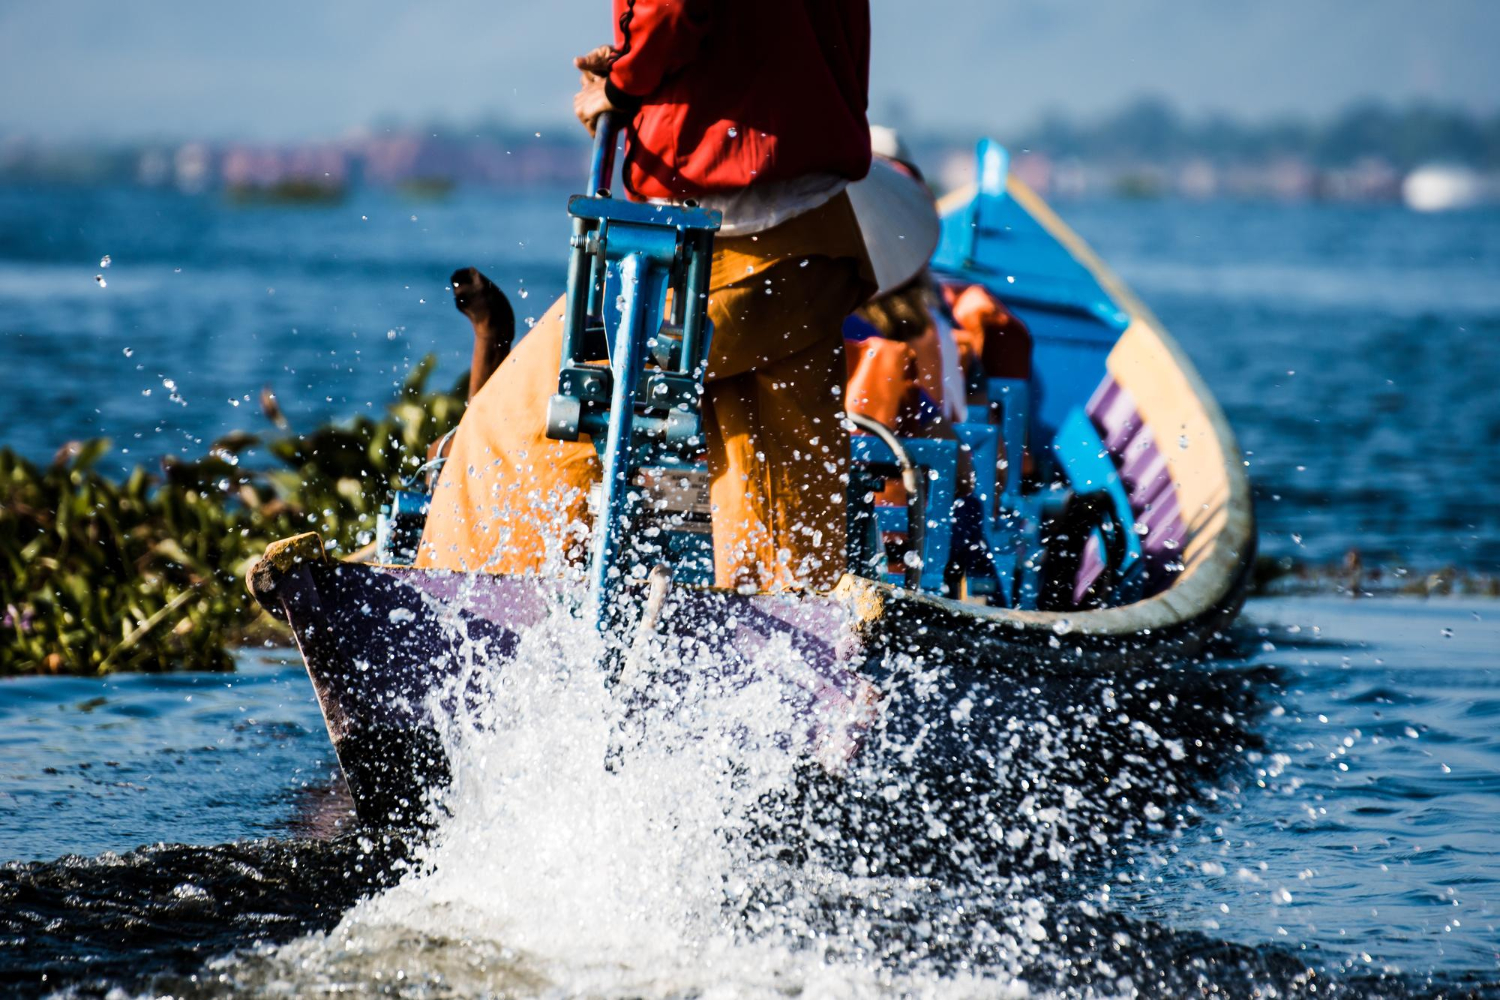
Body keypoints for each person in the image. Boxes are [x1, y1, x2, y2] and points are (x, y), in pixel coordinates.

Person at [416, 1, 876, 592]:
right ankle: (795, 655)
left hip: (714, 243)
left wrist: (626, 82)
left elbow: (670, 9)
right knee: (779, 509)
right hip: (811, 241)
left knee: (506, 436)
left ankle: (472, 622)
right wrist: (641, 78)